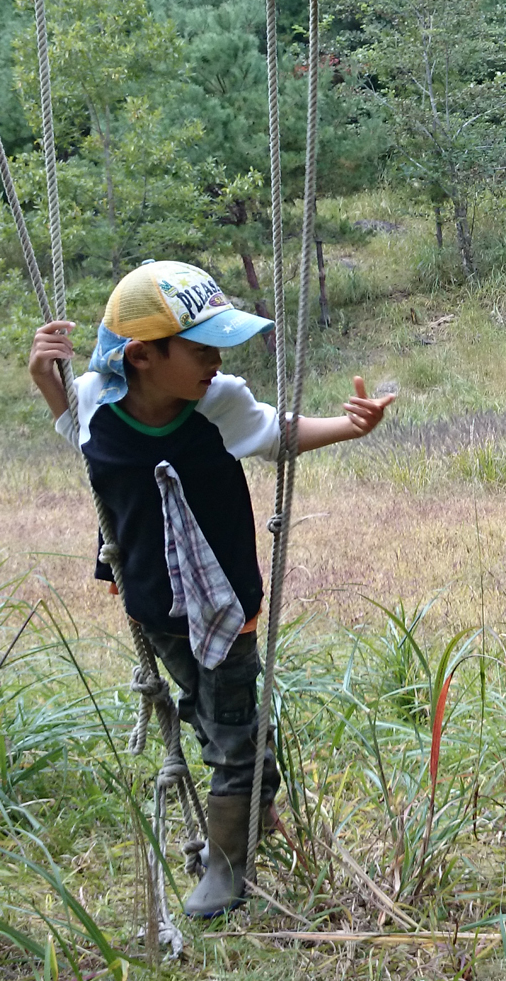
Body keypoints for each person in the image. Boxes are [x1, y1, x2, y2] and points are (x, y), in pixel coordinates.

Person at [27, 259, 393, 919]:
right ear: (140, 356)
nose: (214, 363)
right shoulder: (95, 405)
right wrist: (44, 381)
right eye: (199, 350)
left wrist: (350, 427)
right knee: (206, 712)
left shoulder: (219, 403)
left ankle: (228, 869)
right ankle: (254, 799)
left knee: (230, 728)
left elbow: (277, 432)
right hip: (153, 605)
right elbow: (78, 437)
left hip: (224, 604)